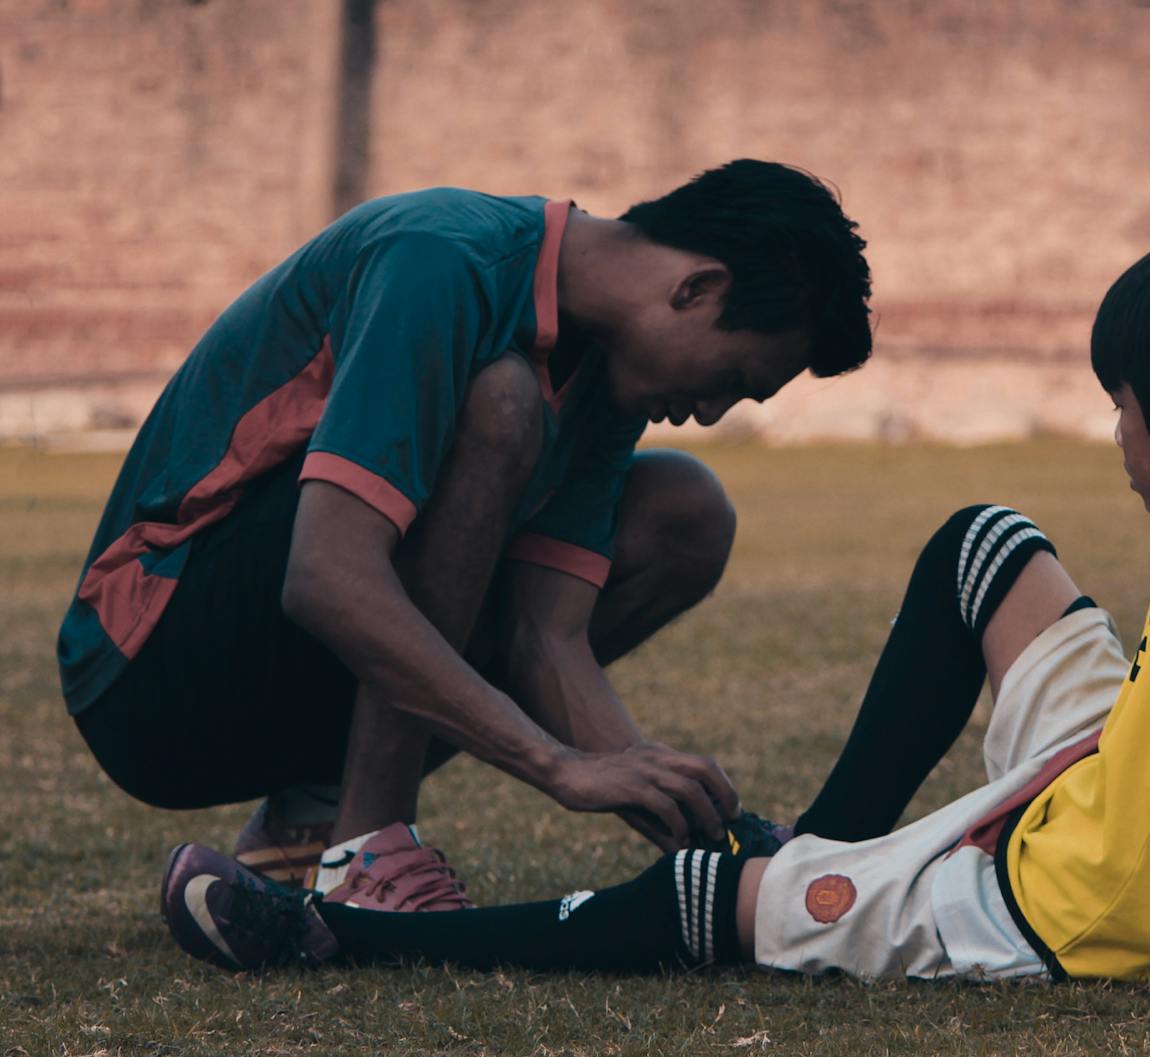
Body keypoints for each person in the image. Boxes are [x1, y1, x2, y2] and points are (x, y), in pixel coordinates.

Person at [159, 215, 1150, 1019]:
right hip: (1117, 772)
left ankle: (337, 940)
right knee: (984, 545)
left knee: (716, 910)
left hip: (1084, 896)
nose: (1115, 434)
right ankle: (835, 840)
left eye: (1125, 408)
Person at [65, 160, 873, 911]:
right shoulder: (440, 258)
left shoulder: (607, 377)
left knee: (685, 510)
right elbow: (325, 573)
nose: (710, 413)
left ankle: (309, 823)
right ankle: (367, 846)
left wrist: (702, 832)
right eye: (732, 379)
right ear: (696, 286)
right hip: (149, 667)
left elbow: (545, 636)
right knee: (504, 400)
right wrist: (554, 764)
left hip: (275, 690)